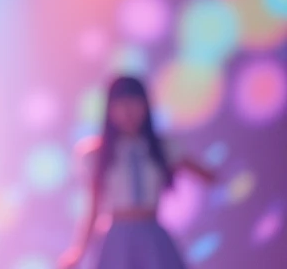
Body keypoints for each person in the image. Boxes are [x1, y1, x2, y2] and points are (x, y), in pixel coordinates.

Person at [59, 75, 217, 269]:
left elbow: (207, 175)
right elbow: (93, 207)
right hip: (117, 239)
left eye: (135, 104)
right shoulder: (97, 154)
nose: (128, 112)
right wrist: (78, 250)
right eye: (120, 105)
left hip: (152, 236)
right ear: (110, 110)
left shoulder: (163, 148)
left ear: (146, 106)